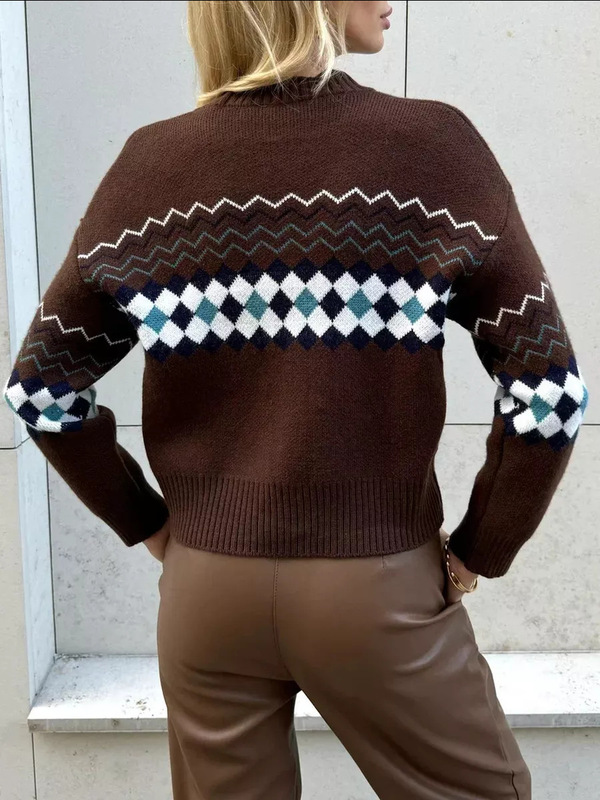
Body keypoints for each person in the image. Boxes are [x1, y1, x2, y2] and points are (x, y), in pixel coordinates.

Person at [3, 1, 589, 798]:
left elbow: (42, 388)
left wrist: (152, 525)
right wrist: (481, 548)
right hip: (376, 583)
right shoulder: (433, 149)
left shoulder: (148, 166)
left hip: (206, 592)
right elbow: (549, 393)